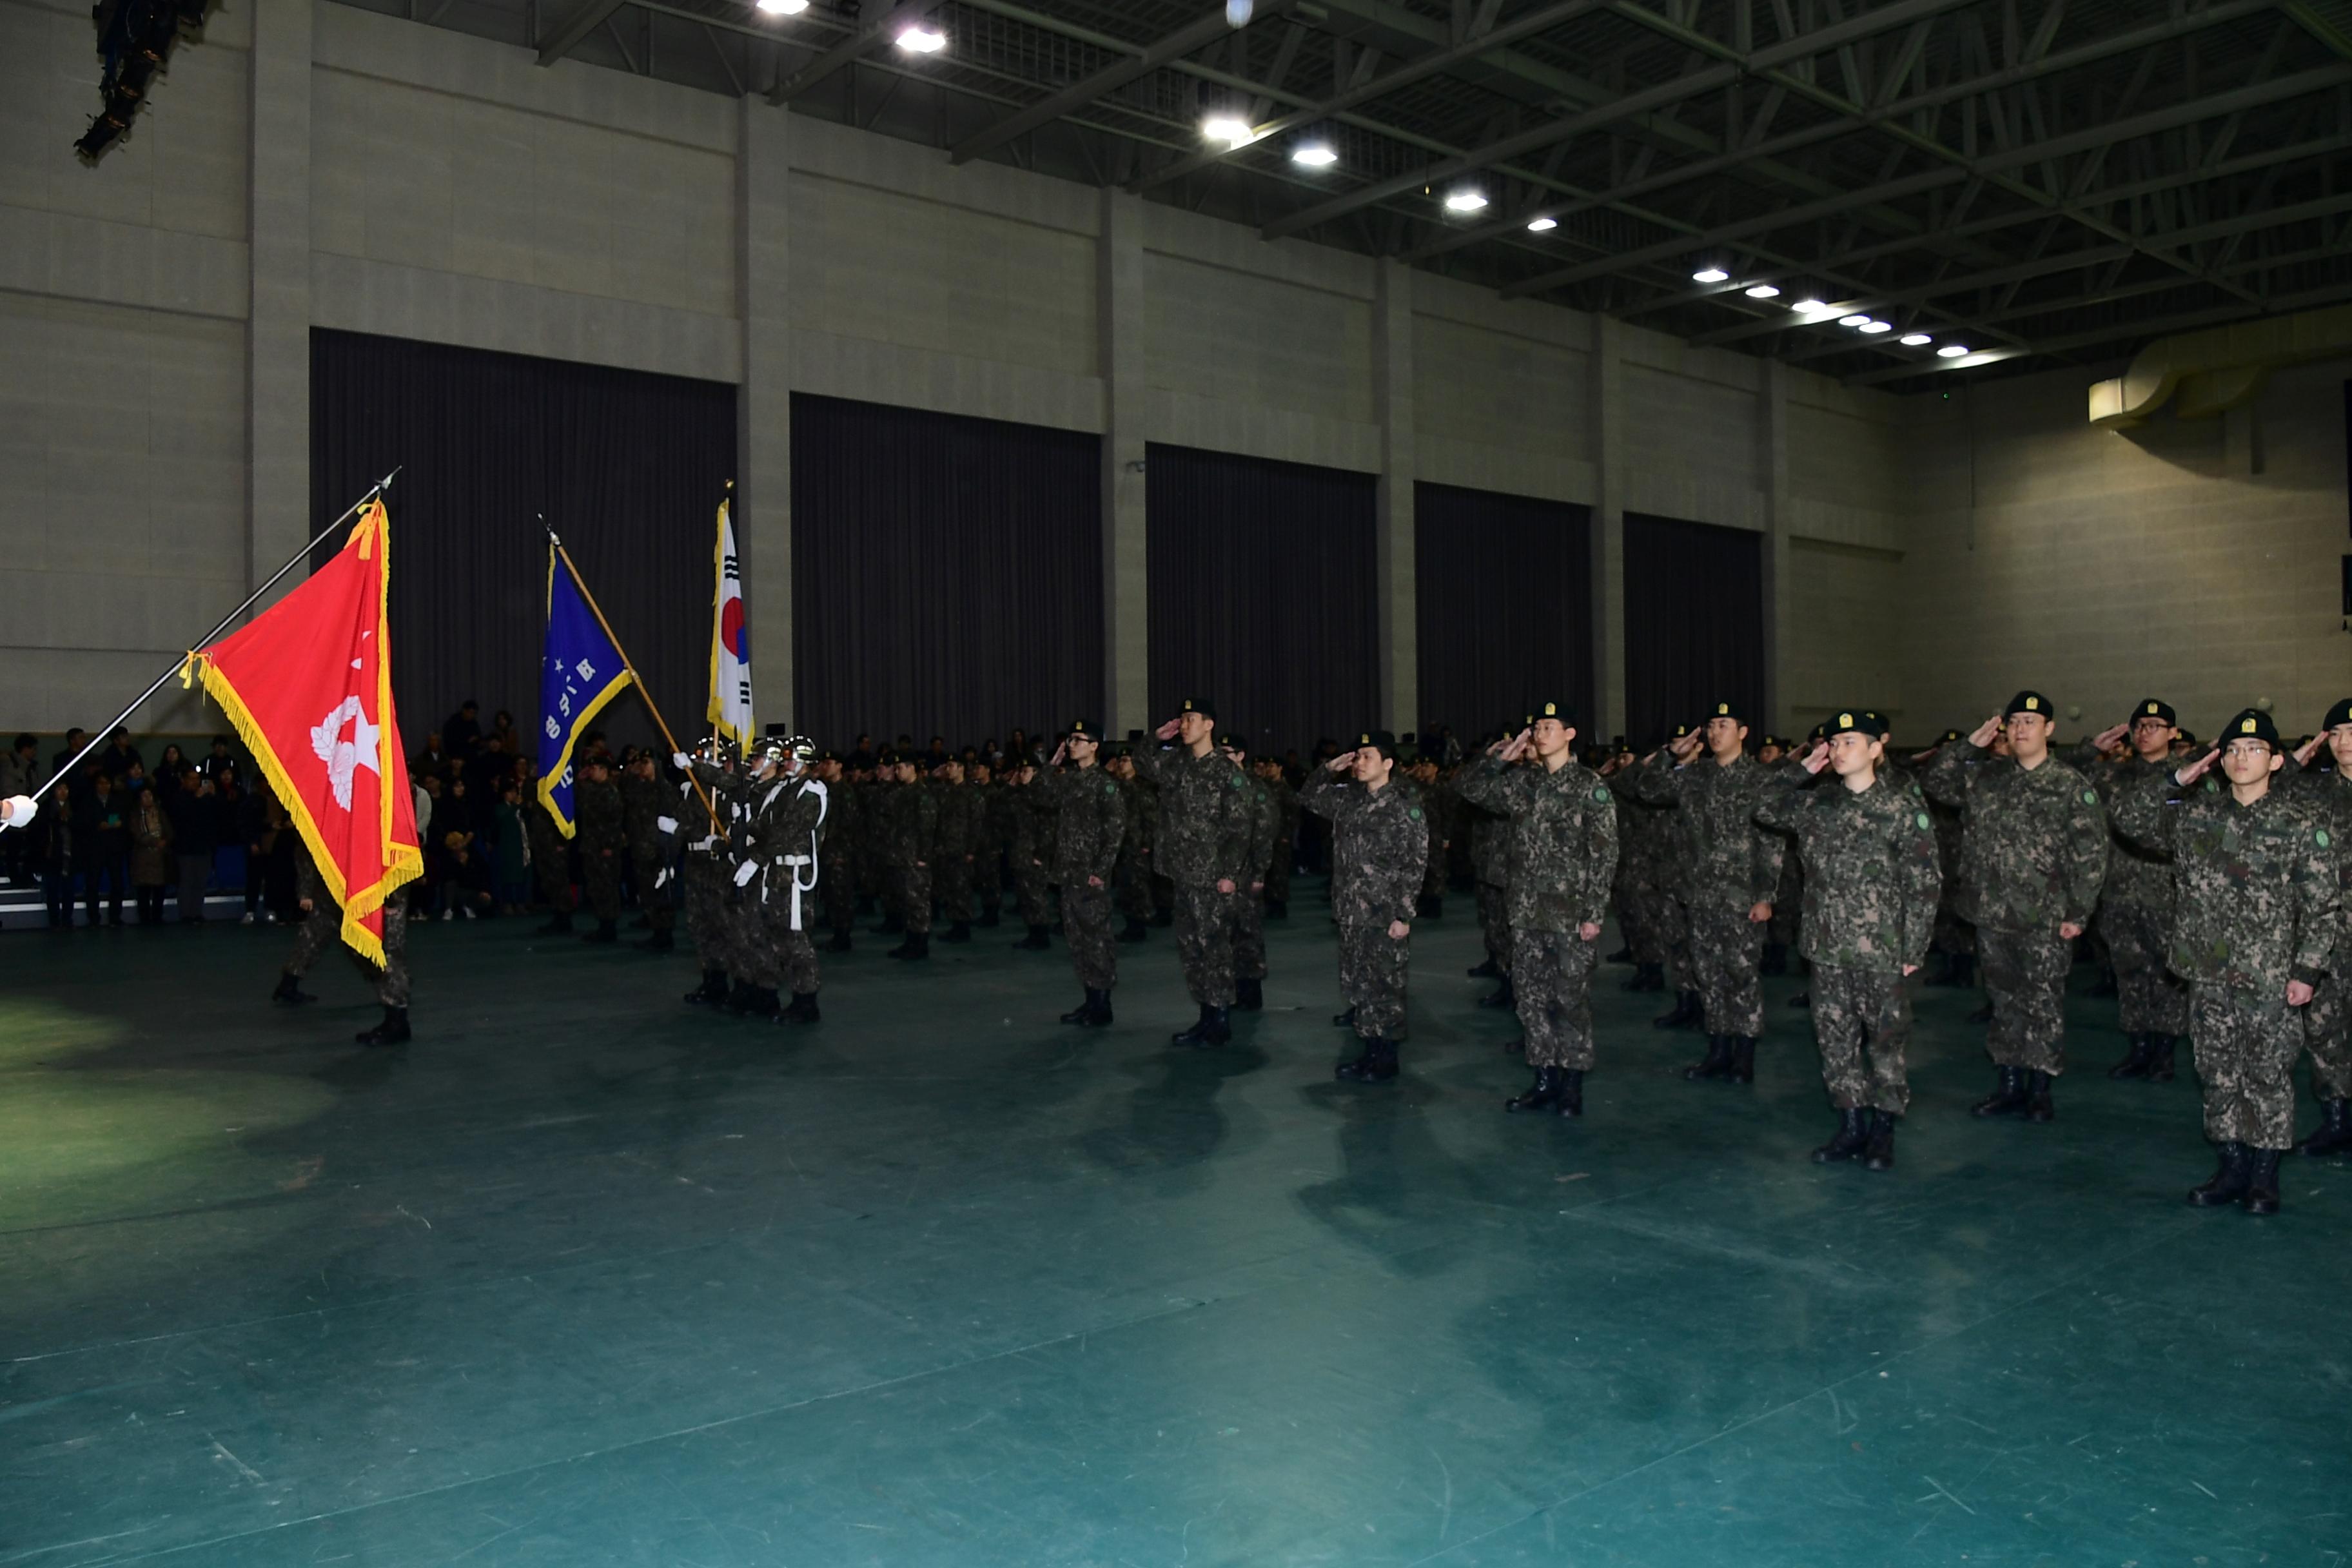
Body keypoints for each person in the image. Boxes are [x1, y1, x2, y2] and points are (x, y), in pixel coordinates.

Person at [2108, 709, 2336, 1215]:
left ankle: (2263, 1176)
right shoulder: (2197, 815)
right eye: (2232, 750)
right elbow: (2128, 818)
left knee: (2268, 1075)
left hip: (2270, 975)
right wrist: (2177, 777)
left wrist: (2307, 973)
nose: (2241, 758)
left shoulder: (2300, 825)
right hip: (2208, 973)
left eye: (2254, 750)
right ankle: (2230, 1165)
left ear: (2276, 761)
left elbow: (2324, 908)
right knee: (2217, 1072)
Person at [1756, 713, 1941, 1170]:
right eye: (1833, 743)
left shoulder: (1902, 809)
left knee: (1885, 1042)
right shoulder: (1817, 805)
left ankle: (1883, 1130)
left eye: (1850, 742)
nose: (1839, 751)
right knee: (1835, 1042)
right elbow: (1760, 803)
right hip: (1827, 947)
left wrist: (1913, 949)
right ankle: (1851, 1123)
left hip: (1883, 950)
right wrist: (1802, 767)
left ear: (1878, 748)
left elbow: (1924, 884)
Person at [1922, 692, 2108, 1122]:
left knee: (2042, 1002)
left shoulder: (2069, 786)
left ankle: (2040, 1088)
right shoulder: (1986, 777)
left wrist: (2079, 913)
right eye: (2014, 722)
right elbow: (1934, 782)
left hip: (2046, 917)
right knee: (2003, 1001)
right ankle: (2008, 1084)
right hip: (1992, 913)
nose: (2021, 729)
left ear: (2049, 729)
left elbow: (2091, 855)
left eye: (2030, 721)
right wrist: (1969, 746)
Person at [1455, 701, 1620, 1119]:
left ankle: (1572, 1086)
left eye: (1549, 726)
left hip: (1570, 915)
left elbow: (1604, 855)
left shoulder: (1589, 786)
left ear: (1570, 734)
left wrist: (1594, 913)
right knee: (1531, 1000)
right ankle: (1544, 1079)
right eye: (1536, 727)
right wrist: (1496, 761)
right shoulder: (1522, 784)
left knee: (1570, 1000)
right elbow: (1466, 789)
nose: (1539, 733)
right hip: (1527, 913)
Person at [1632, 700, 1785, 1085]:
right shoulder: (1695, 775)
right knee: (1708, 975)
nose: (1716, 732)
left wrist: (1765, 895)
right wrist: (1671, 755)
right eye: (1711, 726)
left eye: (1724, 725)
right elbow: (1646, 790)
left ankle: (1744, 1056)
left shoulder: (1760, 779)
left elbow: (1771, 841)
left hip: (1742, 897)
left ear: (1743, 731)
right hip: (1700, 894)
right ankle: (1718, 1051)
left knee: (1742, 975)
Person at [2067, 700, 2193, 1082]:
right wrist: (2093, 749)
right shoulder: (2115, 775)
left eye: (2155, 726)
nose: (2145, 732)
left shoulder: (2190, 778)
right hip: (2120, 892)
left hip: (2166, 890)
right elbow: (2063, 775)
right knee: (2131, 973)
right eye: (2139, 726)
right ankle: (2139, 1048)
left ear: (2173, 733)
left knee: (2169, 976)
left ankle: (2165, 1053)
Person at [1302, 731, 1429, 1084]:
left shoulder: (1404, 806)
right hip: (1350, 909)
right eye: (1357, 757)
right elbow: (1309, 796)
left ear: (1388, 763)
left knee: (1385, 985)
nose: (1359, 763)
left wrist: (1403, 914)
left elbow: (1414, 863)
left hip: (1384, 912)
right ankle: (1369, 1050)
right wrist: (1329, 768)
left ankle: (1386, 1057)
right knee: (1359, 983)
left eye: (1367, 757)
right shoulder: (1349, 800)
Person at [1130, 699, 1256, 1048]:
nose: (1184, 725)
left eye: (1191, 719)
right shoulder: (1176, 764)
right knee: (1190, 948)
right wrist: (1156, 737)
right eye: (1182, 719)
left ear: (1209, 725)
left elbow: (1240, 827)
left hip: (1213, 876)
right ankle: (1204, 1015)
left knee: (1215, 948)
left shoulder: (1227, 771)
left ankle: (1220, 1020)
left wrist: (1230, 872)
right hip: (1182, 873)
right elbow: (1141, 764)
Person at [270, 830, 413, 1046]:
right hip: (344, 886)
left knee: (383, 950)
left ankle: (397, 1018)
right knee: (349, 944)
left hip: (375, 886)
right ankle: (394, 1006)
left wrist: (389, 896)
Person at [2286, 699, 2352, 1156]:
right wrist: (2295, 759)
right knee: (2326, 1033)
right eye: (2337, 734)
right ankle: (2336, 1120)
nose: (2346, 743)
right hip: (2327, 939)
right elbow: (2263, 791)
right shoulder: (2313, 794)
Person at [1041, 721, 1126, 1026]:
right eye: (1069, 739)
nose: (1071, 744)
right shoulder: (1069, 780)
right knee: (1077, 940)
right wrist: (1052, 763)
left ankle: (1102, 1005)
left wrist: (1102, 870)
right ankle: (1090, 1000)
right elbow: (1039, 795)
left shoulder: (1105, 784)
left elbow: (1115, 830)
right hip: (1068, 872)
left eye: (1079, 739)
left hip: (1090, 875)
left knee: (1097, 939)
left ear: (1094, 747)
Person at [1222, 734, 1279, 1012]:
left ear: (1241, 756)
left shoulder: (1256, 790)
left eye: (1228, 754)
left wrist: (1259, 874)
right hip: (1220, 874)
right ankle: (1230, 987)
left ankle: (1250, 991)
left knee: (1247, 933)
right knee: (1223, 934)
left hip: (1246, 874)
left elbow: (1265, 834)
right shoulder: (1218, 790)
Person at [620, 752, 679, 952]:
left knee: (662, 895)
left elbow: (674, 824)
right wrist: (631, 774)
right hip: (641, 848)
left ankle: (665, 935)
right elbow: (625, 797)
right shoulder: (640, 787)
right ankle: (656, 931)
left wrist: (669, 853)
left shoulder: (665, 790)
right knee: (647, 893)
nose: (642, 766)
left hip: (659, 850)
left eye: (646, 763)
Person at [573, 755, 627, 943]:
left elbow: (614, 821)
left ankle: (609, 927)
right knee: (596, 887)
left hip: (605, 847)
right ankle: (603, 925)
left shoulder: (610, 792)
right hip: (592, 846)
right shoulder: (593, 790)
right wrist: (580, 780)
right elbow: (581, 805)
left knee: (607, 887)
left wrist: (609, 846)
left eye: (594, 768)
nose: (591, 771)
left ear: (604, 770)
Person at [72, 770, 129, 926]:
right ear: (95, 785)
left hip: (114, 849)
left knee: (117, 883)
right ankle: (93, 917)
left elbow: (125, 819)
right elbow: (80, 824)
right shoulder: (87, 802)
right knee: (92, 884)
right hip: (94, 849)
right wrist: (97, 826)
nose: (104, 787)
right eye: (101, 783)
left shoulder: (118, 801)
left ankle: (115, 917)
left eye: (107, 783)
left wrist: (120, 824)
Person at [164, 767, 218, 921]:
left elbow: (215, 817)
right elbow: (182, 819)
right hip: (185, 848)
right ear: (184, 780)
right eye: (191, 779)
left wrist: (213, 797)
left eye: (197, 779)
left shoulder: (206, 798)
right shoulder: (178, 798)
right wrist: (197, 799)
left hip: (204, 847)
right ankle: (186, 914)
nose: (195, 782)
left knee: (200, 882)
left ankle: (197, 912)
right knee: (187, 882)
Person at [128, 781, 172, 924]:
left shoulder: (161, 812)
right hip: (142, 857)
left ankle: (158, 916)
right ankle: (145, 918)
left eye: (150, 795)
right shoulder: (135, 815)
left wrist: (165, 841)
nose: (147, 798)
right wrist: (153, 842)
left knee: (159, 889)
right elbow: (136, 833)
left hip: (160, 857)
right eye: (144, 796)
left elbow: (169, 831)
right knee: (143, 890)